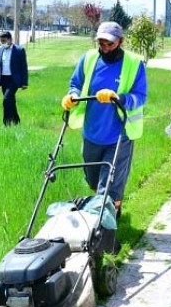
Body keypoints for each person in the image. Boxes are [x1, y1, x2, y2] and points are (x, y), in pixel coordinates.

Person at [61, 22, 147, 218]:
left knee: (108, 186)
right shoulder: (89, 59)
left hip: (119, 135)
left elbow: (140, 96)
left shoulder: (133, 64)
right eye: (102, 43)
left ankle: (108, 226)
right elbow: (75, 83)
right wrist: (71, 96)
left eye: (110, 43)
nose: (105, 48)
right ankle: (105, 211)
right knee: (93, 181)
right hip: (92, 132)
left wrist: (119, 98)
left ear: (120, 41)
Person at [0, 31, 28, 126]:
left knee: (6, 100)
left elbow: (23, 67)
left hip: (14, 80)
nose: (2, 43)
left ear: (10, 39)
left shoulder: (19, 50)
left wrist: (24, 82)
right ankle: (16, 121)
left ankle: (6, 123)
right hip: (3, 80)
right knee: (11, 101)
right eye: (1, 41)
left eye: (4, 40)